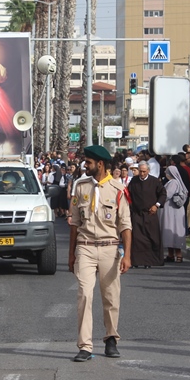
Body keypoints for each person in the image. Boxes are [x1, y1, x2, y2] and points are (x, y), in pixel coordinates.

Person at [68, 145, 132, 362]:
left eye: (89, 162)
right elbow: (75, 223)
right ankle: (85, 346)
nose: (85, 165)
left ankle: (111, 338)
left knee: (111, 296)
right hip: (85, 246)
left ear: (100, 164)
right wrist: (71, 254)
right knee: (84, 295)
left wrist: (127, 255)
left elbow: (125, 225)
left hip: (109, 247)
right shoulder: (81, 187)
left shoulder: (118, 189)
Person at [127, 161, 166, 268]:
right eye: (140, 171)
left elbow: (163, 194)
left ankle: (149, 261)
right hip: (137, 214)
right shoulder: (134, 181)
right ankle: (136, 261)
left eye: (144, 171)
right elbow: (128, 195)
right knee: (137, 238)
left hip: (150, 214)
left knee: (151, 237)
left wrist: (156, 205)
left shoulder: (154, 181)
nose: (142, 174)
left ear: (148, 171)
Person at [162, 166, 189, 263]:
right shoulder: (176, 182)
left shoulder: (173, 182)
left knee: (172, 230)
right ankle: (171, 254)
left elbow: (167, 195)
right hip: (175, 210)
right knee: (174, 230)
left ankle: (178, 254)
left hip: (172, 210)